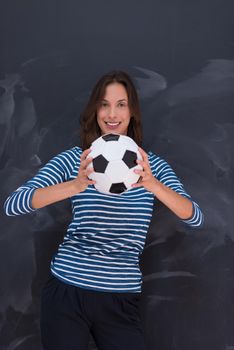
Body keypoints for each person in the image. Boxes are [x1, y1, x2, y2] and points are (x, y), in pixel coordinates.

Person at [3, 70, 204, 350]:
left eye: (121, 104)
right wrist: (74, 186)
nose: (112, 113)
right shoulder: (77, 159)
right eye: (104, 104)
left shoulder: (151, 165)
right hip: (67, 293)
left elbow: (195, 216)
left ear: (132, 111)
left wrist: (153, 185)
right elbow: (13, 204)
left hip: (121, 301)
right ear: (94, 109)